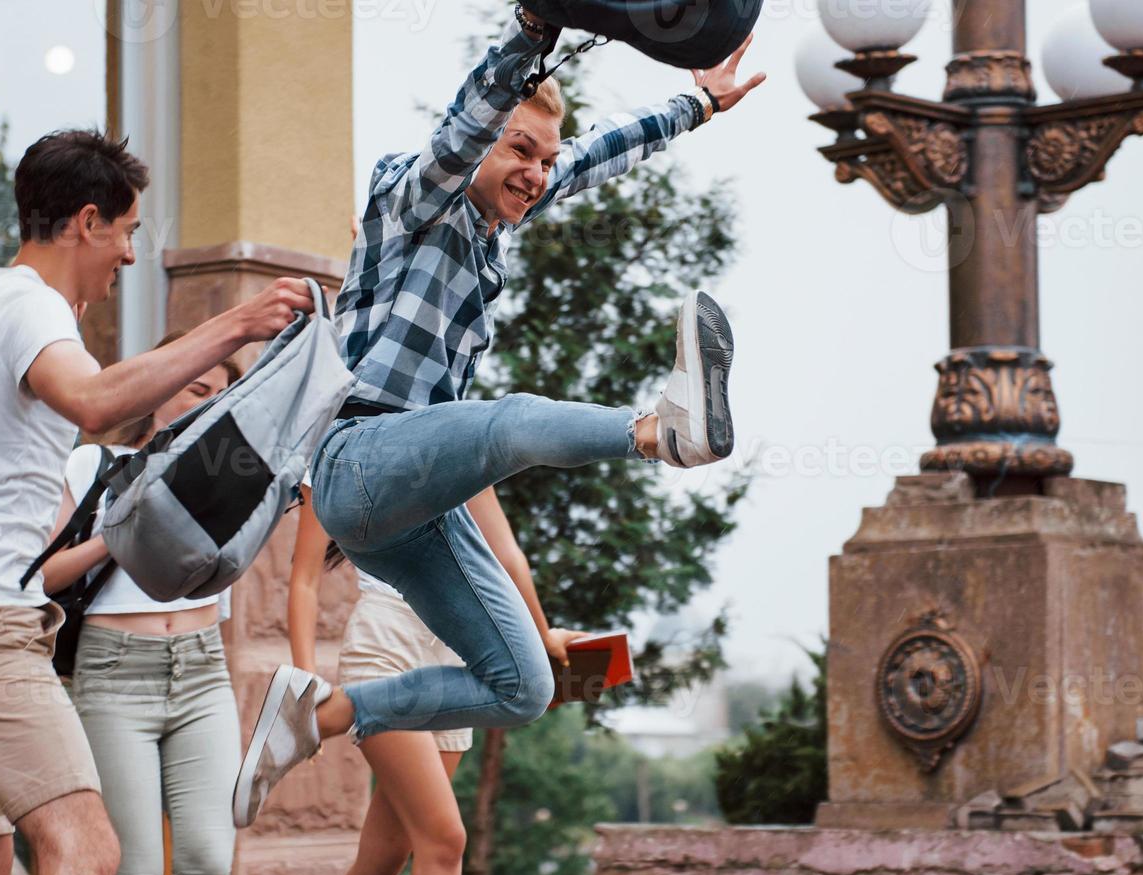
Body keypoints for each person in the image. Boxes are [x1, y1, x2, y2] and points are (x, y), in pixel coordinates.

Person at [233, 8, 764, 826]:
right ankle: (659, 432)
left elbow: (589, 160)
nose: (536, 173)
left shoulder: (493, 229)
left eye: (542, 159)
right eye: (520, 151)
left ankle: (323, 718)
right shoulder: (409, 197)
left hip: (408, 507)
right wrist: (532, 28)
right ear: (481, 144)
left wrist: (694, 105)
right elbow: (467, 125)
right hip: (356, 460)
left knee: (525, 684)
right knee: (507, 423)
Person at [0, 129, 310, 875]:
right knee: (89, 850)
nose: (127, 253)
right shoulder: (28, 303)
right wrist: (239, 323)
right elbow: (90, 399)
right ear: (84, 221)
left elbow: (69, 405)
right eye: (124, 231)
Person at [288, 472, 577, 875]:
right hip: (385, 645)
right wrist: (306, 684)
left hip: (455, 651)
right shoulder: (343, 450)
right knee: (445, 840)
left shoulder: (460, 440)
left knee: (384, 856)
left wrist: (542, 635)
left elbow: (507, 557)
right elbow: (305, 579)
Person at [18, 332, 241, 875]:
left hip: (203, 673)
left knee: (208, 872)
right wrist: (120, 532)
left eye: (223, 399)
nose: (209, 406)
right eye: (198, 388)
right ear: (161, 383)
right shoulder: (96, 466)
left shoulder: (229, 480)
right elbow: (43, 575)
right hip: (116, 676)